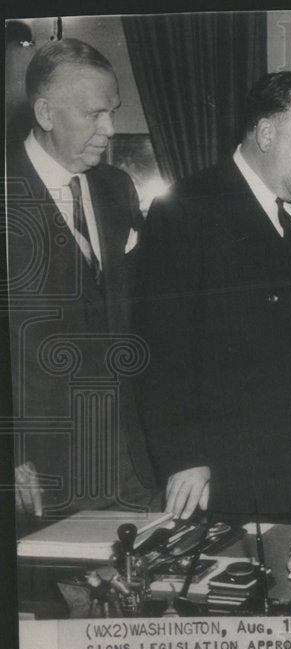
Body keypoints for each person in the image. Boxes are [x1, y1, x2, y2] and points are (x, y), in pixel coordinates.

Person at [132, 72, 291, 521]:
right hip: (231, 476)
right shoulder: (185, 210)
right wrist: (184, 456)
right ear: (265, 133)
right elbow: (160, 351)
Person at [7, 39, 156, 528]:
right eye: (94, 114)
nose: (109, 130)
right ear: (46, 112)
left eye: (111, 112)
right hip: (44, 467)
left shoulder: (116, 188)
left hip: (132, 456)